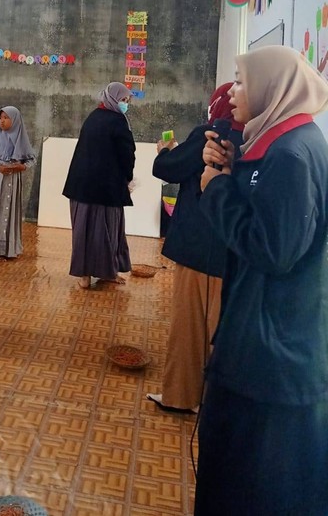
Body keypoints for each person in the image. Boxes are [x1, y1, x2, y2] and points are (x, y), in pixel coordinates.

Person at [196, 46, 328, 516]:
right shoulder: (281, 144)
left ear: (273, 89)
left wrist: (216, 190)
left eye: (241, 81)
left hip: (270, 358)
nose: (232, 91)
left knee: (251, 487)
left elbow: (273, 249)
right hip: (263, 344)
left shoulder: (293, 154)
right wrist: (232, 169)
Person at [146, 83, 243, 413]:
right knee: (221, 330)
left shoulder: (210, 134)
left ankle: (180, 396)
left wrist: (165, 150)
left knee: (189, 327)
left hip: (198, 245)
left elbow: (166, 169)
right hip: (234, 251)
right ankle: (214, 404)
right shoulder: (257, 139)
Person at [63, 82, 134, 289]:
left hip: (81, 187)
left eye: (127, 101)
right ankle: (107, 272)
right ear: (114, 99)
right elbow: (127, 154)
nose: (125, 104)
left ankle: (84, 276)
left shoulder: (93, 117)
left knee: (83, 232)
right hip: (105, 189)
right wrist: (127, 178)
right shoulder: (118, 121)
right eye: (123, 100)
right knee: (107, 230)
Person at [0, 106, 35, 259]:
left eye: (6, 118)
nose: (2, 121)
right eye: (0, 118)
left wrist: (22, 166)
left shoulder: (21, 137)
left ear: (15, 120)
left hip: (14, 180)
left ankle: (9, 250)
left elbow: (30, 158)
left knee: (11, 211)